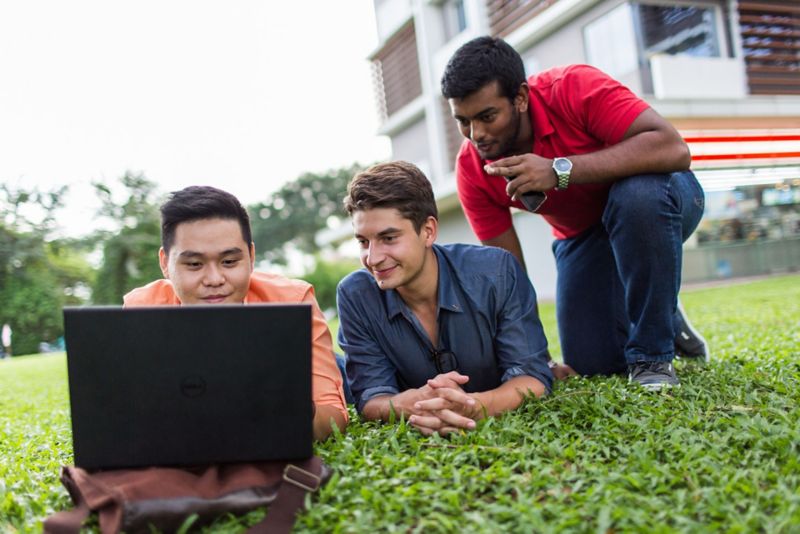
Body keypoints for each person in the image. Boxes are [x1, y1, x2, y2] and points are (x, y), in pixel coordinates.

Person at [440, 36, 708, 390]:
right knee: (592, 362)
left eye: (488, 116)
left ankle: (652, 358)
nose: (478, 134)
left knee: (635, 197)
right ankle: (666, 312)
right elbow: (508, 276)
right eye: (464, 121)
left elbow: (672, 148)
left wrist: (559, 170)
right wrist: (535, 359)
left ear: (520, 97)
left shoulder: (572, 87)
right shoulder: (473, 170)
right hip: (582, 236)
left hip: (661, 198)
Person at [336, 161, 553, 436]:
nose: (373, 258)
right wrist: (412, 404)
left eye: (388, 238)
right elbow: (371, 397)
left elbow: (533, 379)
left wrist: (474, 406)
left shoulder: (497, 272)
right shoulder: (355, 294)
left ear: (428, 231)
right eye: (363, 242)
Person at [124, 185, 348, 440]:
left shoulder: (293, 302)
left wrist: (287, 399)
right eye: (195, 264)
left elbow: (332, 423)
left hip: (327, 367)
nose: (214, 279)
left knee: (352, 375)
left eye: (229, 262)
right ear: (165, 263)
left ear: (251, 256)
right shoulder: (141, 310)